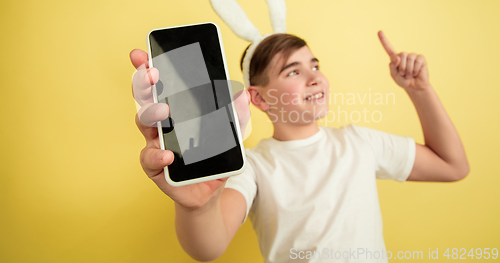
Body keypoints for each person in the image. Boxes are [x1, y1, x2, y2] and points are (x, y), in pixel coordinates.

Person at [129, 30, 469, 263]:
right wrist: (198, 208)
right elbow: (208, 247)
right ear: (259, 98)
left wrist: (420, 90)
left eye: (315, 65)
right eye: (293, 71)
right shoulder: (252, 166)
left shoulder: (360, 142)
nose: (315, 77)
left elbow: (453, 166)